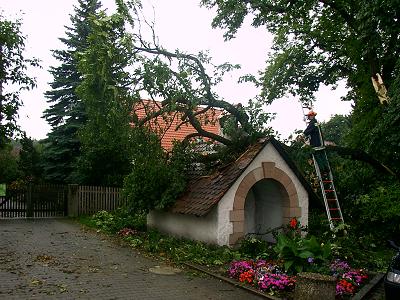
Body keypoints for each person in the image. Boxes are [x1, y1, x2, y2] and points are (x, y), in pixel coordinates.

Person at [303, 110, 329, 177]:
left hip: (316, 143)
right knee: (322, 156)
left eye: (309, 116)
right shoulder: (317, 123)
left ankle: (323, 171)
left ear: (312, 116)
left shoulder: (312, 123)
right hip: (321, 143)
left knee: (317, 156)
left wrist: (304, 134)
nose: (308, 118)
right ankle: (327, 169)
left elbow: (306, 131)